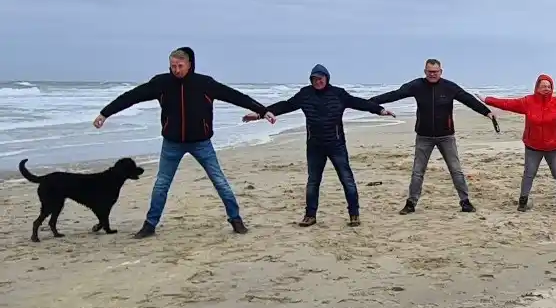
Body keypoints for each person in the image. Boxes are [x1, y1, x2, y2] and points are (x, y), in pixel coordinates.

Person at [94, 47, 275, 237]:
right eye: (173, 66)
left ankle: (236, 220)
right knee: (161, 184)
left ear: (190, 64)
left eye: (180, 66)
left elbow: (235, 96)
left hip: (201, 143)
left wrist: (262, 110)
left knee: (219, 181)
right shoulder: (161, 83)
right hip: (172, 144)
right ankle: (149, 225)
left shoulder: (204, 83)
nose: (176, 70)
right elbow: (131, 97)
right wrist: (105, 113)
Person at [243, 65, 395, 227]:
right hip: (315, 146)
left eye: (321, 78)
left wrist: (380, 110)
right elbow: (285, 105)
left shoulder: (338, 94)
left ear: (327, 78)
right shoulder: (305, 94)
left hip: (336, 144)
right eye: (315, 79)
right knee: (313, 181)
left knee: (347, 179)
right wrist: (261, 113)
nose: (318, 81)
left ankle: (354, 214)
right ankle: (310, 215)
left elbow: (359, 103)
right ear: (311, 80)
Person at [370, 58, 498, 214]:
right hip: (424, 136)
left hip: (446, 136)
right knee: (418, 171)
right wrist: (370, 103)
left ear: (440, 72)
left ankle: (465, 202)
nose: (432, 74)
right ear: (425, 72)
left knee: (456, 170)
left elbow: (468, 99)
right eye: (429, 71)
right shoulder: (416, 86)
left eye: (435, 72)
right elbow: (395, 94)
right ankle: (411, 204)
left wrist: (487, 112)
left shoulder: (449, 87)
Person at [481, 74, 556, 213]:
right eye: (543, 86)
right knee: (529, 173)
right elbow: (507, 103)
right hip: (533, 146)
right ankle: (522, 203)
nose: (546, 88)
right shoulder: (528, 102)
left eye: (549, 86)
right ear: (537, 87)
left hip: (553, 146)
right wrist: (487, 100)